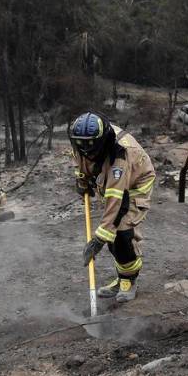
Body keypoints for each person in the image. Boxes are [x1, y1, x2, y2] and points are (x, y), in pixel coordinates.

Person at [69, 111, 156, 302]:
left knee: (121, 233)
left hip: (134, 185)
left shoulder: (120, 156)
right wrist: (82, 180)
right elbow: (80, 160)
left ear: (101, 141)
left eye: (91, 148)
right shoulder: (84, 141)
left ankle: (128, 281)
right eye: (82, 146)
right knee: (112, 235)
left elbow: (117, 199)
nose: (86, 151)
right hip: (112, 184)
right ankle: (121, 278)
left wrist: (98, 240)